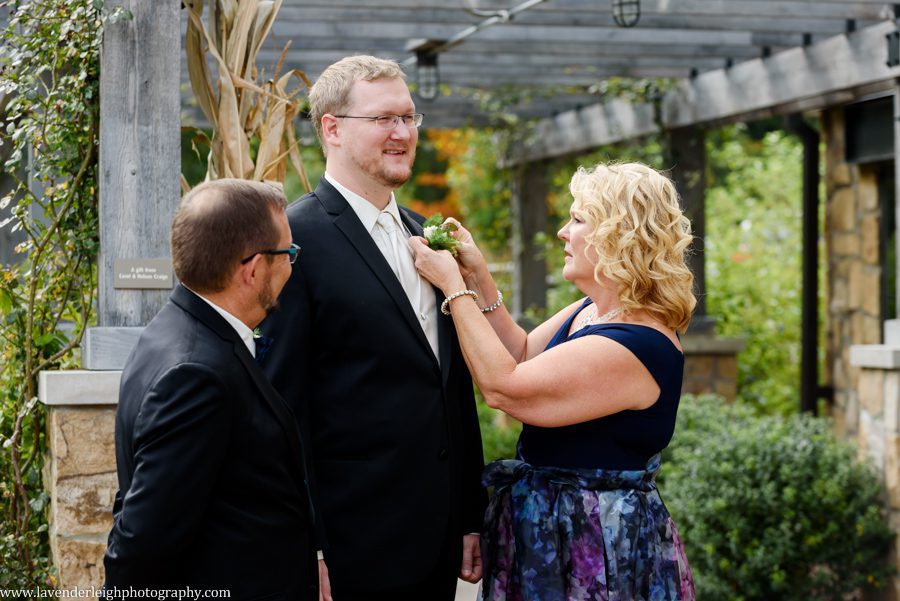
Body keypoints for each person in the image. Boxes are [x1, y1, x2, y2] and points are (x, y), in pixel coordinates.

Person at [409, 162, 697, 600]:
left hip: (594, 543)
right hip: (552, 529)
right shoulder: (592, 309)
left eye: (578, 219)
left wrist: (453, 287)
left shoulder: (638, 342)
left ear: (619, 235)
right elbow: (522, 354)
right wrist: (478, 276)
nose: (563, 231)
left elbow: (504, 386)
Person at [259, 55, 486, 601]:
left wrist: (467, 514)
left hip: (434, 538)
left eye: (409, 118)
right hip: (348, 544)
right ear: (332, 129)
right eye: (384, 119)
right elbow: (281, 408)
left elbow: (449, 383)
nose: (403, 133)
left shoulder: (426, 237)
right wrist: (305, 544)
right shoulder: (295, 241)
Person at [104, 179, 317, 599]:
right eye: (289, 253)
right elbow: (142, 540)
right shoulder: (197, 374)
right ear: (253, 269)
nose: (292, 266)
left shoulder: (172, 330)